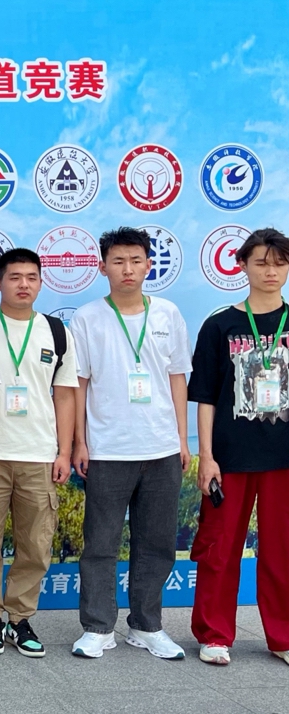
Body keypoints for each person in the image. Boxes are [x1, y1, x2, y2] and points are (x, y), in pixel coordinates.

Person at [71, 226, 191, 660]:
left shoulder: (168, 314)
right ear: (102, 267)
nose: (128, 269)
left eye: (136, 260)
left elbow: (177, 378)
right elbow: (79, 384)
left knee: (156, 544)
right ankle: (98, 627)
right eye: (118, 261)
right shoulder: (87, 317)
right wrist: (79, 442)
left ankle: (146, 625)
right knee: (100, 543)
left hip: (161, 448)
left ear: (148, 265)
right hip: (108, 448)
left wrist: (182, 439)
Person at [0, 249, 77, 658]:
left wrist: (63, 451)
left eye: (32, 277)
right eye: (14, 277)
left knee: (35, 545)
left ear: (41, 283)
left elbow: (65, 395)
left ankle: (20, 618)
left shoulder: (57, 331)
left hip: (39, 454)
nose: (23, 284)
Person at [188, 227, 289, 667]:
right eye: (261, 262)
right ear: (242, 265)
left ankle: (283, 637)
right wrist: (207, 456)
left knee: (283, 551)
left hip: (284, 457)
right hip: (229, 457)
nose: (271, 271)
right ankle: (214, 634)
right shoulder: (220, 325)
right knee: (219, 548)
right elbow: (205, 397)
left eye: (280, 263)